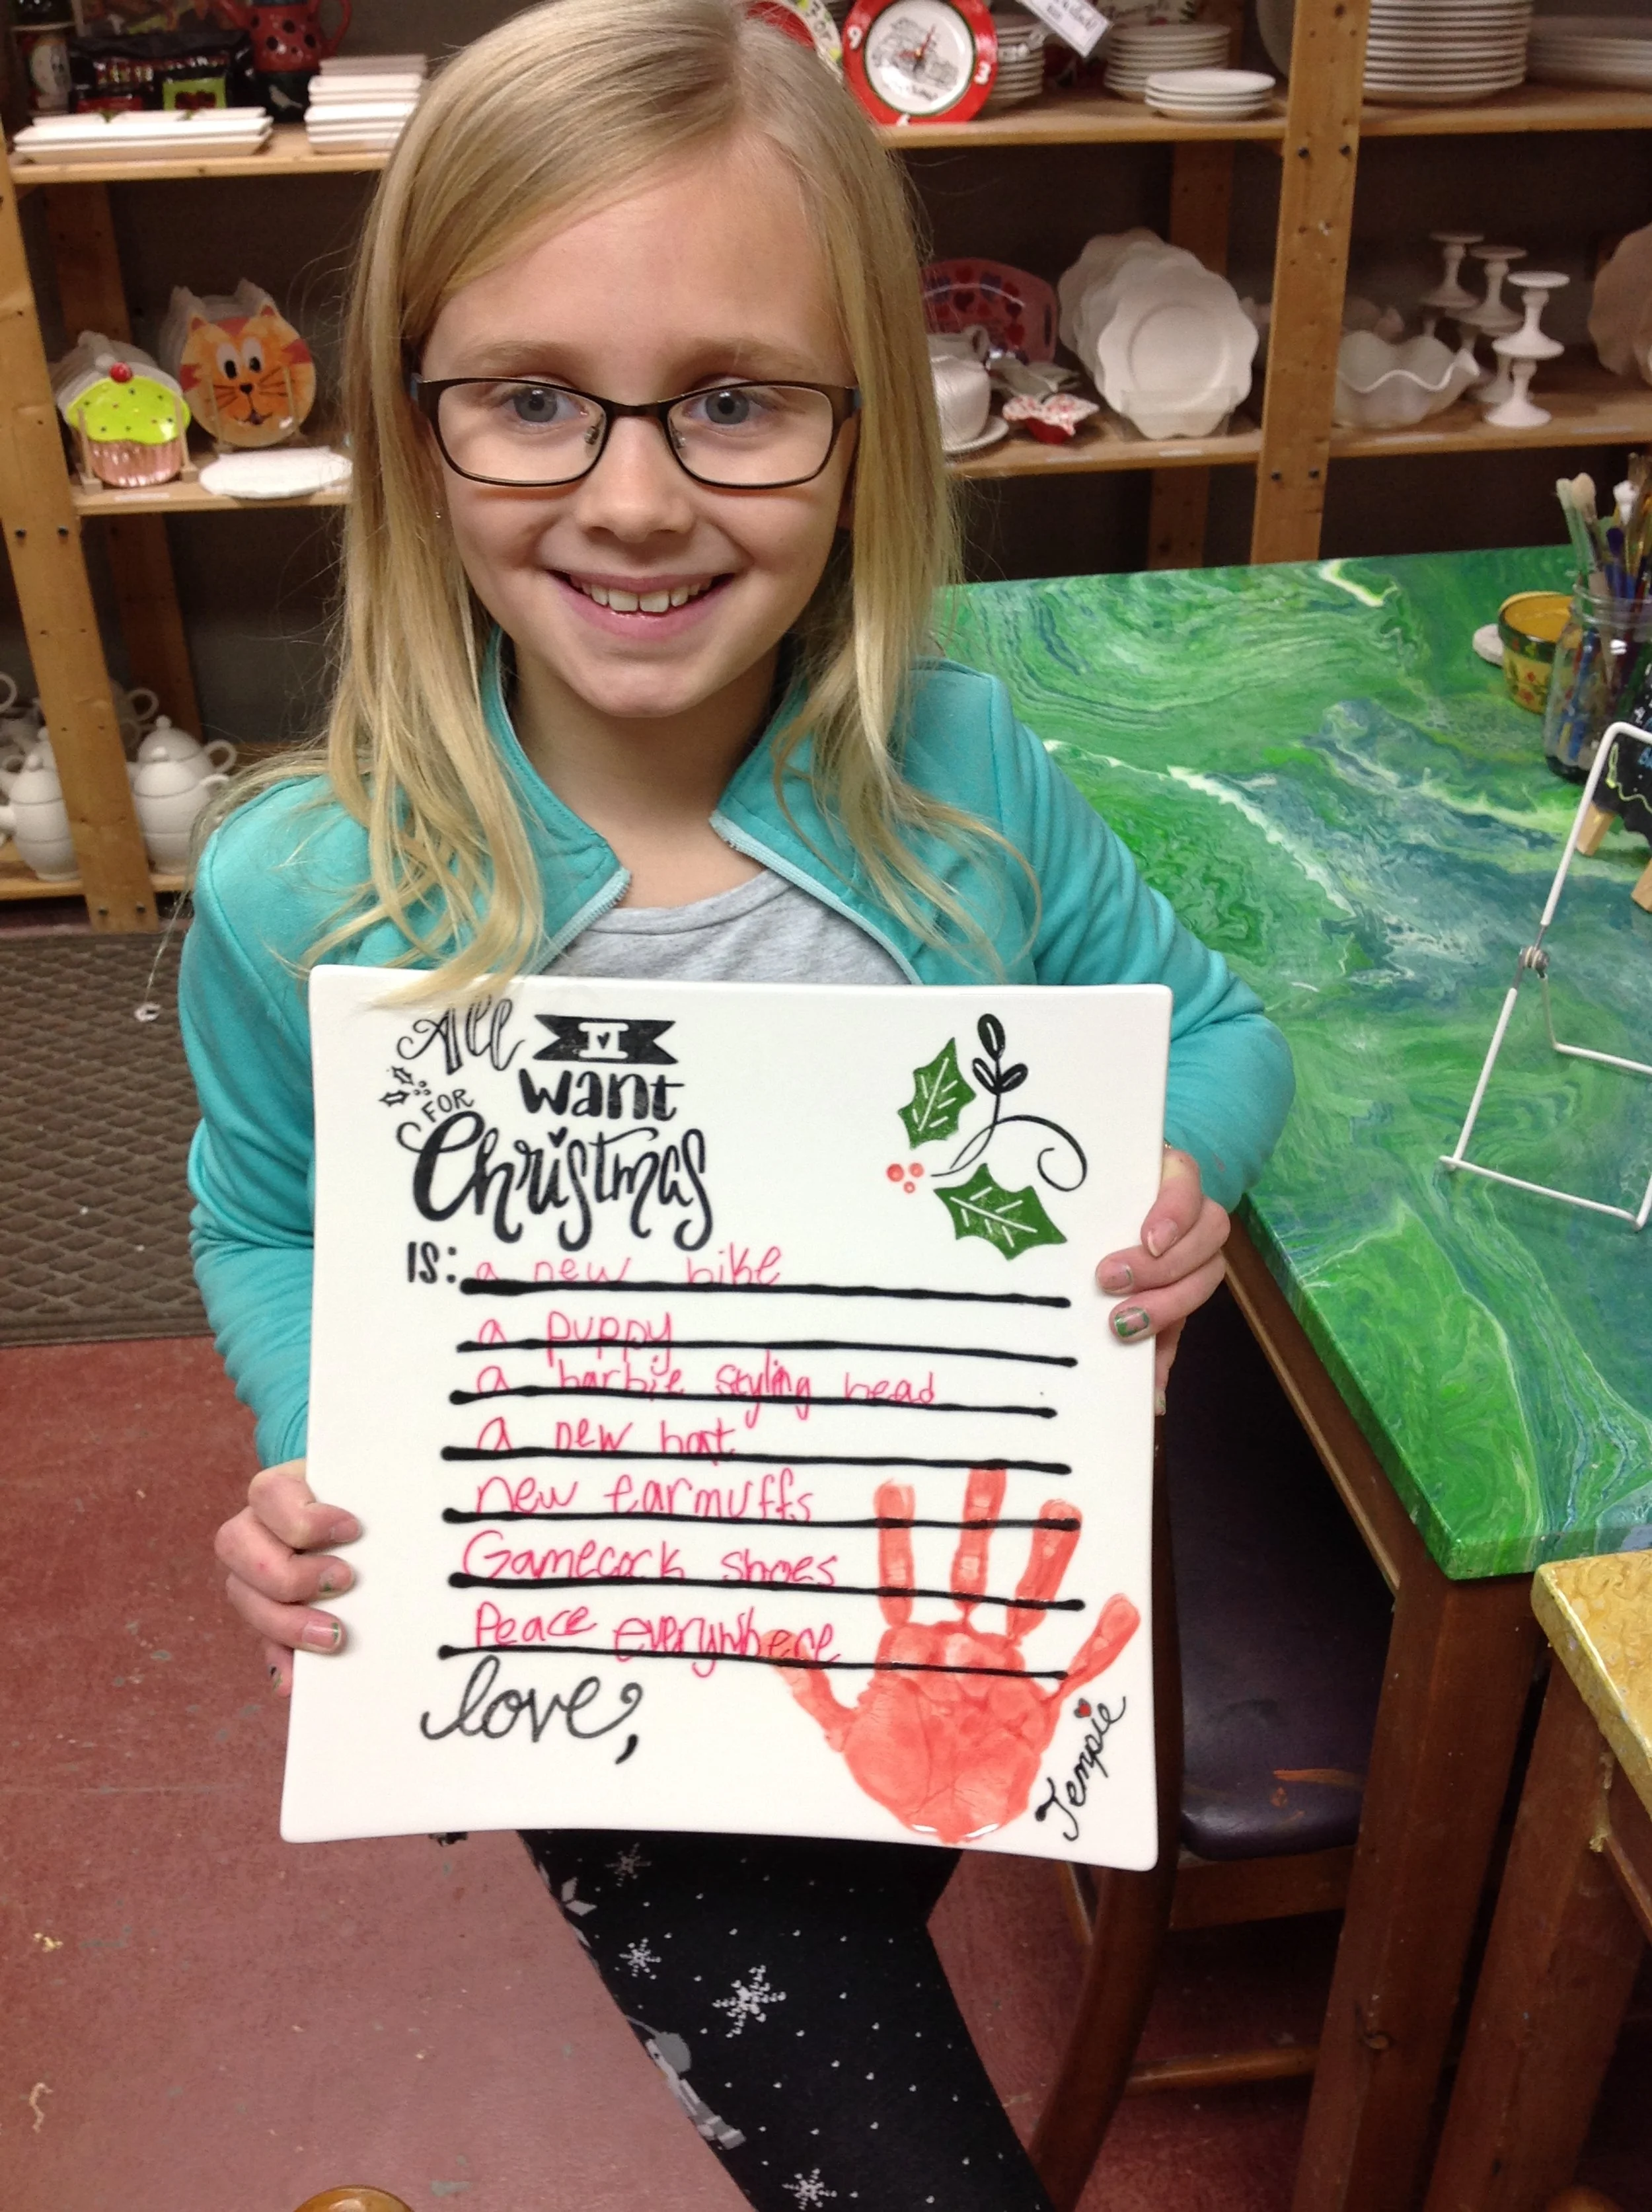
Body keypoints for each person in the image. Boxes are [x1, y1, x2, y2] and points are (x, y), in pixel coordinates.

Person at [184, 3, 1294, 2205]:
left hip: (917, 1610)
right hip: (595, 1662)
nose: (630, 495)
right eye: (525, 399)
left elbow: (1221, 1032)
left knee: (852, 1969)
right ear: (412, 440)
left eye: (733, 400)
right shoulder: (309, 885)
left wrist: (1186, 1180)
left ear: (868, 427)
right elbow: (267, 1213)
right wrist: (327, 1437)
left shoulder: (962, 792)